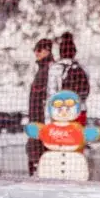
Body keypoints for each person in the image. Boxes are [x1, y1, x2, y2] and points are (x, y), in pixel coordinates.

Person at [26, 38, 62, 175]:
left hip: (43, 120)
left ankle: (41, 170)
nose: (36, 53)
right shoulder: (42, 69)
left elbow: (51, 96)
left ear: (47, 50)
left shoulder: (51, 70)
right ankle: (36, 169)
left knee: (41, 150)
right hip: (36, 118)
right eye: (35, 50)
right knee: (34, 148)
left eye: (39, 50)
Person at [56, 32, 90, 125]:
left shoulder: (57, 68)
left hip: (61, 112)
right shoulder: (81, 68)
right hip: (79, 109)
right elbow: (85, 91)